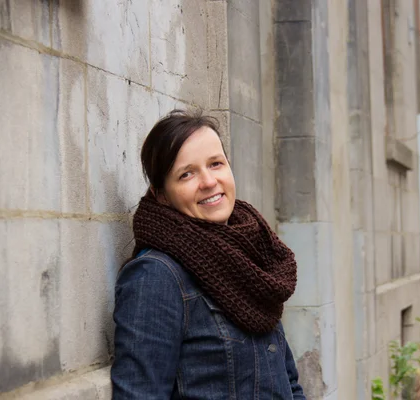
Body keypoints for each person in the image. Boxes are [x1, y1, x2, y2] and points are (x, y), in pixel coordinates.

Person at [110, 109, 305, 399]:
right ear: (162, 194)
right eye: (186, 174)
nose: (209, 181)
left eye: (216, 164)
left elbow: (289, 384)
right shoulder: (156, 277)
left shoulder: (250, 260)